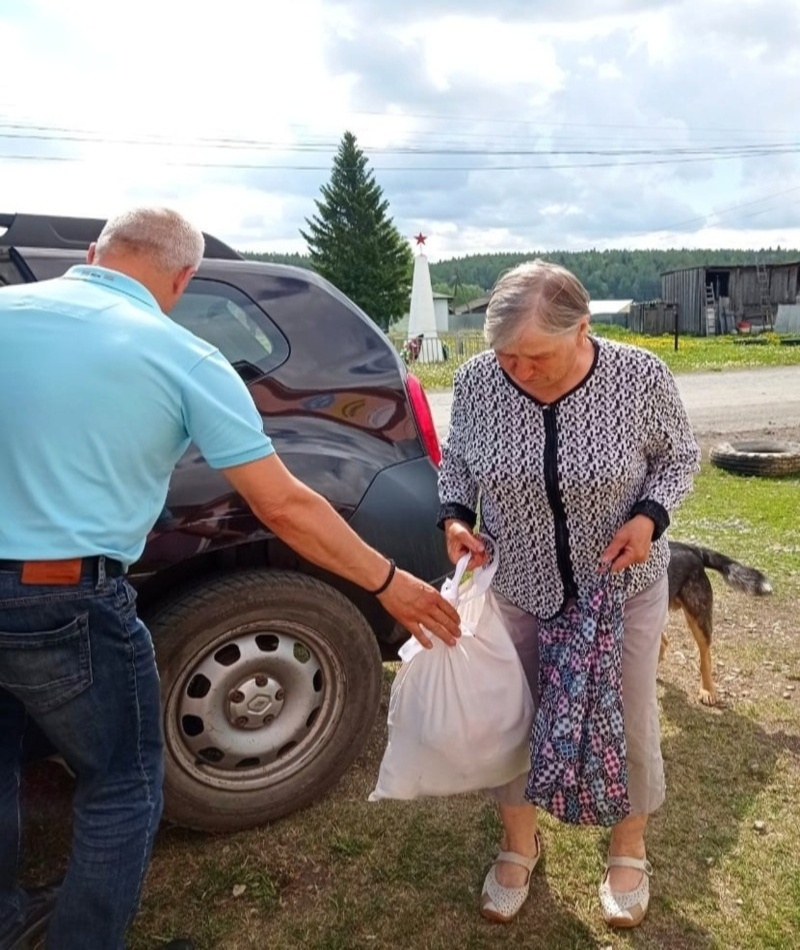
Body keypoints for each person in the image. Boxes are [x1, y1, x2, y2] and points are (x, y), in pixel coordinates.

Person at [0, 207, 462, 950]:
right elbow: (281, 503)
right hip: (63, 599)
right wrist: (389, 584)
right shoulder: (183, 355)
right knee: (120, 787)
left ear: (91, 254)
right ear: (183, 280)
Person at [438, 260, 700, 928]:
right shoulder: (477, 380)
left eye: (536, 357)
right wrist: (453, 517)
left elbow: (678, 458)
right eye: (506, 357)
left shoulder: (638, 375)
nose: (518, 372)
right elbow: (459, 460)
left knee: (629, 716)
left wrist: (649, 517)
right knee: (510, 719)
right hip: (518, 583)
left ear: (583, 328)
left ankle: (628, 848)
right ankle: (518, 841)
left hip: (620, 586)